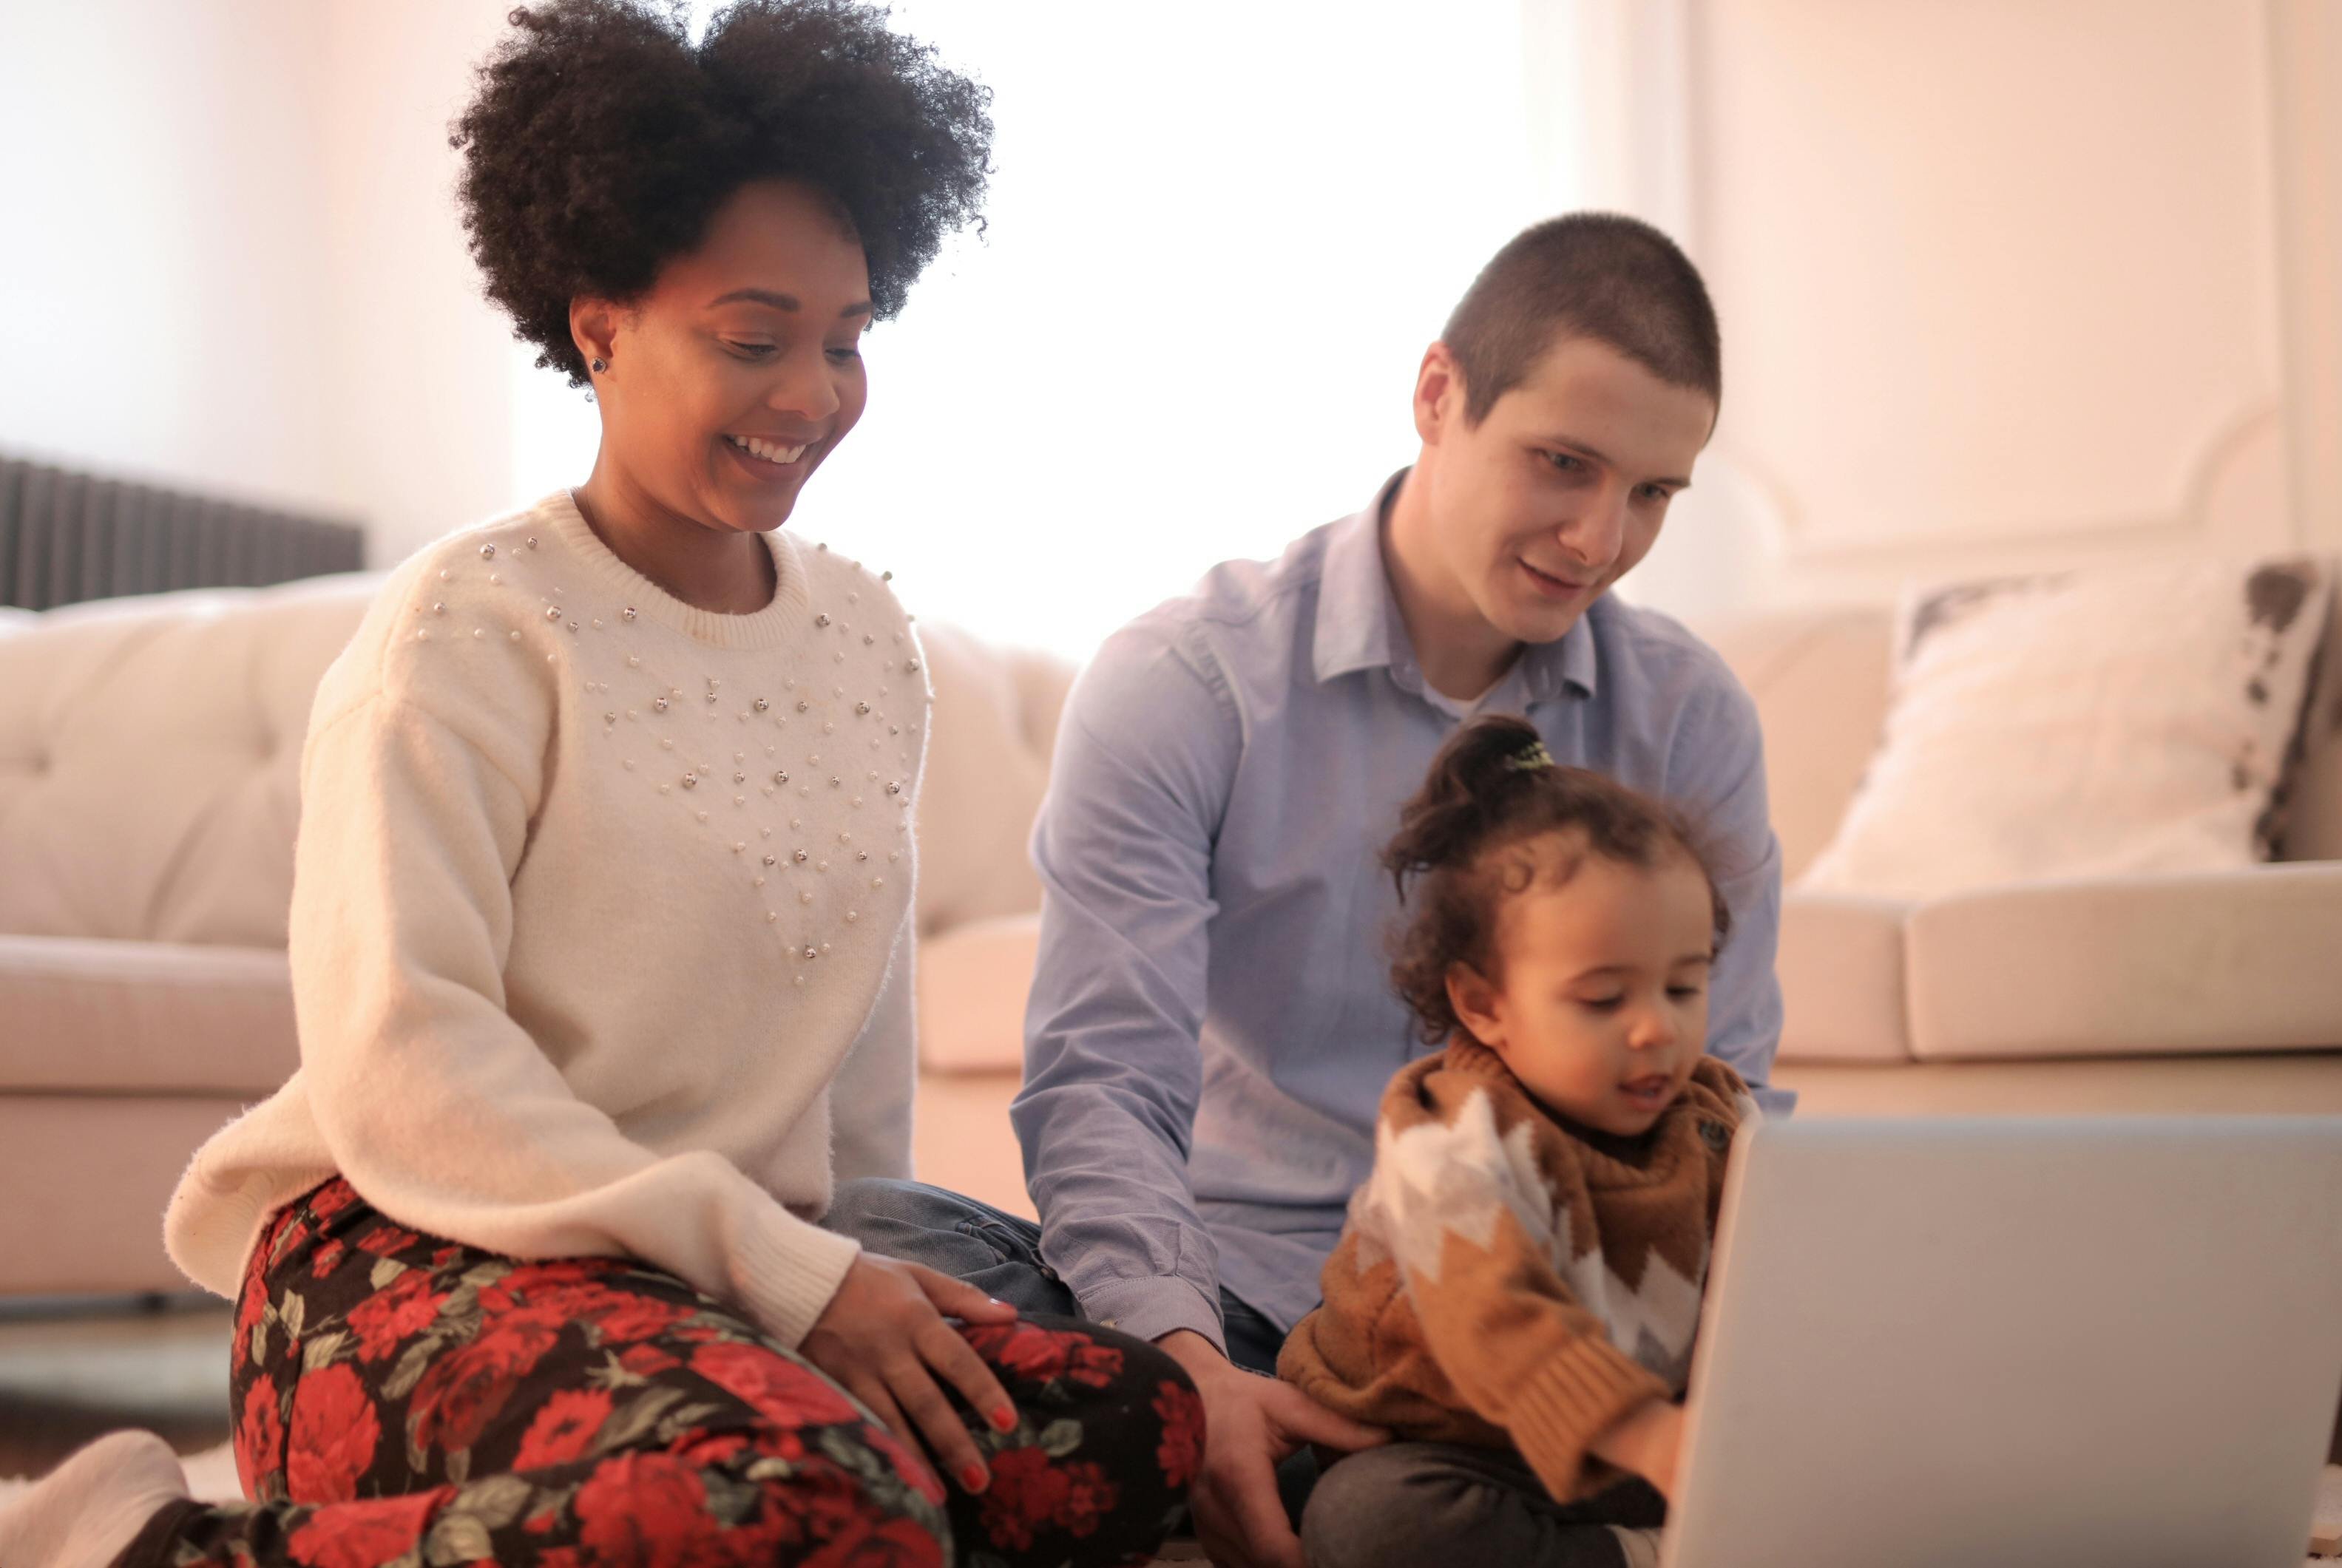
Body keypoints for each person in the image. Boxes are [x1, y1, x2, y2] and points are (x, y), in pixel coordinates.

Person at [0, 4, 1198, 1567]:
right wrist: (779, 1276)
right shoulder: (465, 630)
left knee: (1128, 1430)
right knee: (812, 1504)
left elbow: (854, 1052)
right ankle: (141, 1542)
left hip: (697, 1279)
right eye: (752, 336)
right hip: (407, 1249)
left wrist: (834, 1273)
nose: (812, 393)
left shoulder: (863, 638)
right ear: (600, 323)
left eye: (846, 338)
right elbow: (403, 1062)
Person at [828, 211, 1784, 1568]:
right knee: (862, 1241)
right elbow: (1105, 1084)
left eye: (1651, 494)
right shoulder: (1186, 681)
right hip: (1238, 1292)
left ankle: (1375, 1493)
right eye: (1562, 465)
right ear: (1438, 394)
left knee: (1386, 1523)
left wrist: (1724, 1376)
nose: (1598, 536)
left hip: (1538, 1328)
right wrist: (1189, 1368)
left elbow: (1730, 1087)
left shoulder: (1688, 714)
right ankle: (1226, 1443)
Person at [1276, 714, 1756, 1568]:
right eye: (1603, 1000)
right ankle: (1650, 1555)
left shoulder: (1715, 1115)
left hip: (1637, 1445)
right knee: (1366, 1524)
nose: (1655, 1031)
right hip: (1454, 1446)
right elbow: (1494, 1317)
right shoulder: (1449, 1138)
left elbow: (1781, 1272)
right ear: (1482, 1005)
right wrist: (1647, 1438)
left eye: (1683, 987)